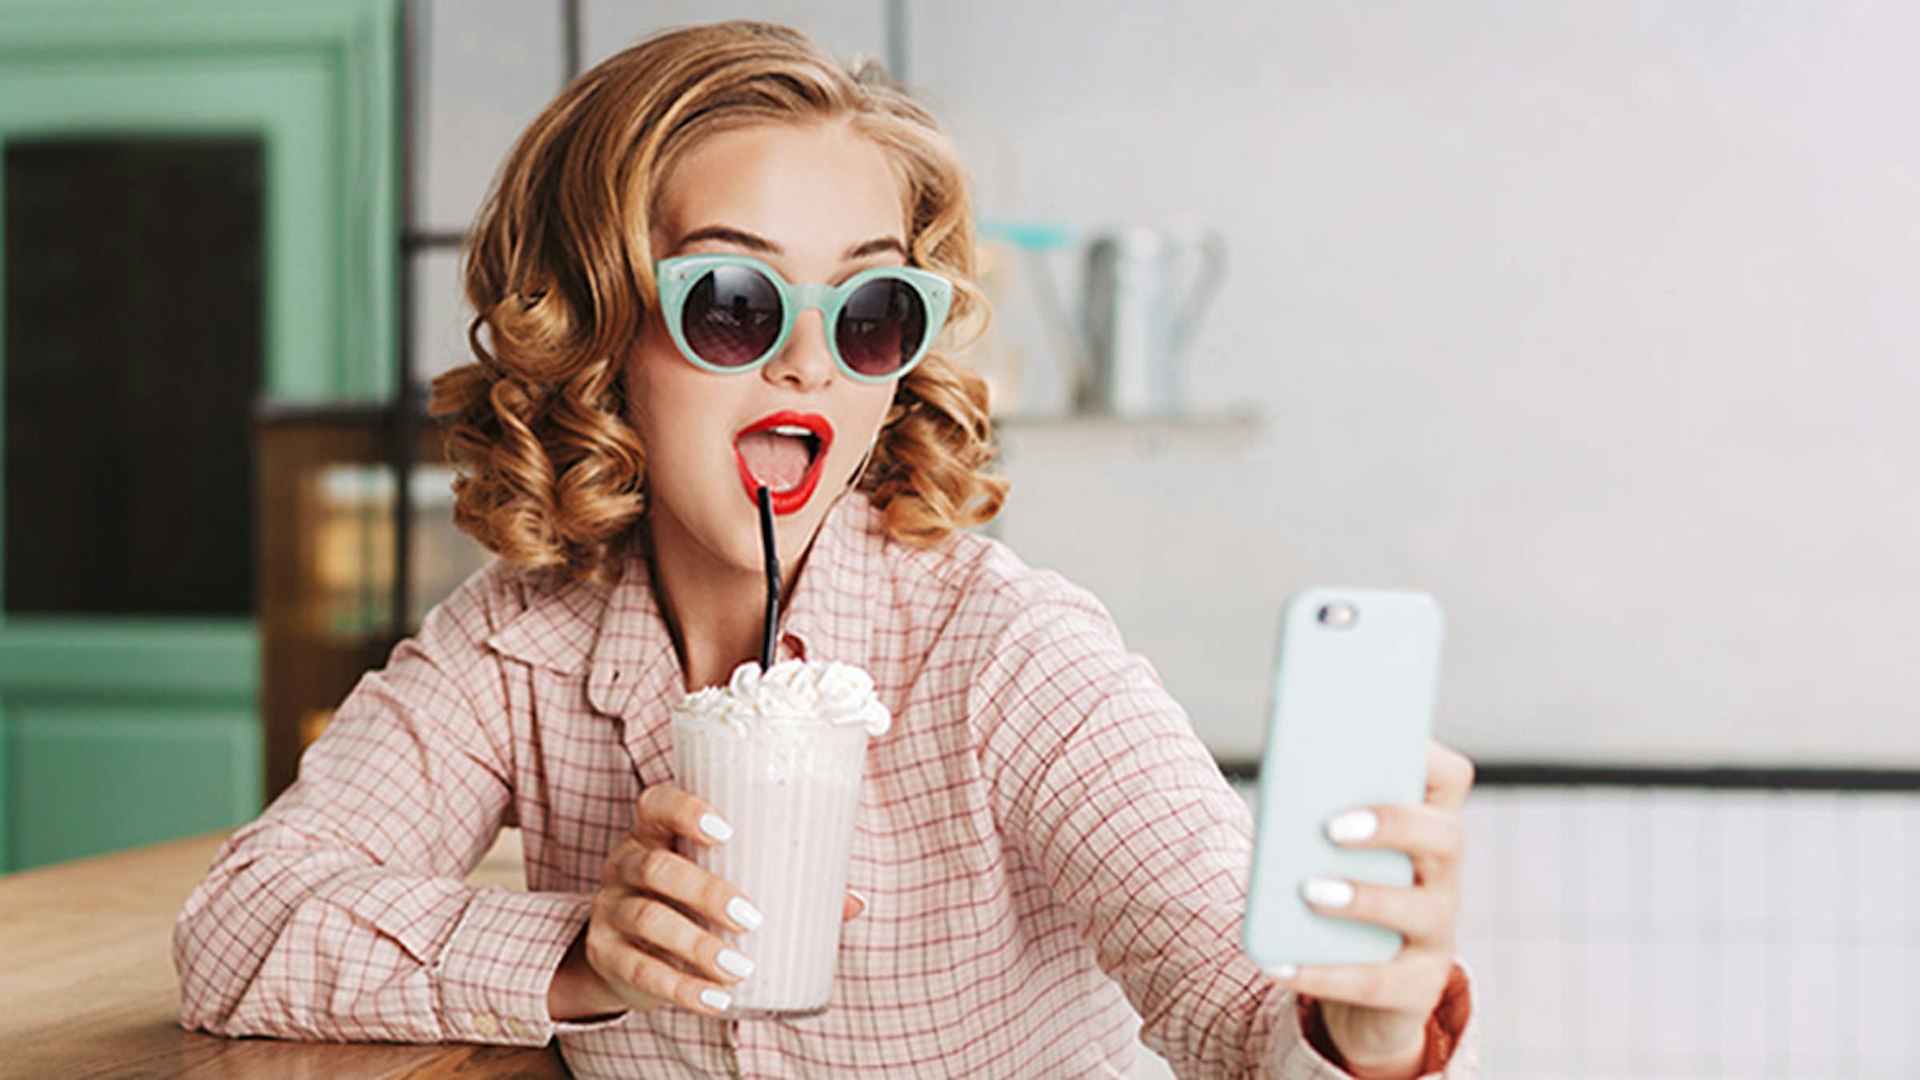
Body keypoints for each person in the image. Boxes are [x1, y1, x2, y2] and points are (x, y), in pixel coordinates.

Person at [174, 20, 1477, 1079]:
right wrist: (579, 947)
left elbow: (1231, 1000)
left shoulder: (1006, 657)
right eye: (734, 301)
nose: (810, 358)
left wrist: (1352, 1036)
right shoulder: (516, 649)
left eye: (871, 306)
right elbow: (236, 933)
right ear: (590, 331)